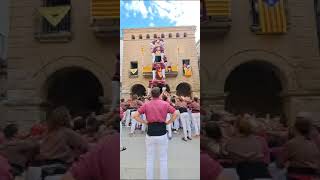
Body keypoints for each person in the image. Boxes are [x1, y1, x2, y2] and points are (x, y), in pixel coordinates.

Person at [133, 87, 178, 180]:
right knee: (163, 158)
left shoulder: (146, 104)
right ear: (160, 94)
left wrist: (144, 122)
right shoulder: (165, 104)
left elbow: (134, 115)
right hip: (162, 132)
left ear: (151, 95)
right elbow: (176, 113)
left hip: (150, 132)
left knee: (149, 158)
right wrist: (169, 122)